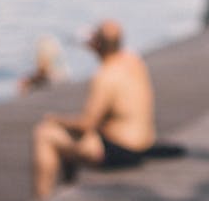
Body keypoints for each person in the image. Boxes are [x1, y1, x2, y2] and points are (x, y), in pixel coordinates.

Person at [30, 20, 156, 199]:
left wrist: (56, 119)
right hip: (144, 143)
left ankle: (41, 198)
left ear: (95, 44)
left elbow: (85, 125)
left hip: (120, 150)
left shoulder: (105, 76)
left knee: (45, 134)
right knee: (69, 134)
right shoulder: (133, 61)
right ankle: (68, 186)